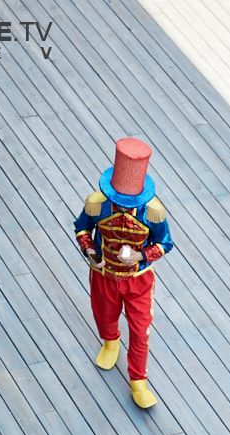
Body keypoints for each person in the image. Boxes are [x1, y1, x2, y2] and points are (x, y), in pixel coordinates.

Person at [73, 137, 174, 410]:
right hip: (104, 274)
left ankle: (138, 381)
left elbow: (165, 243)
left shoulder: (152, 213)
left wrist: (140, 256)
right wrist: (90, 251)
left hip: (138, 281)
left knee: (140, 331)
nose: (124, 207)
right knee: (104, 314)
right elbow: (82, 228)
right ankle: (110, 342)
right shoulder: (97, 204)